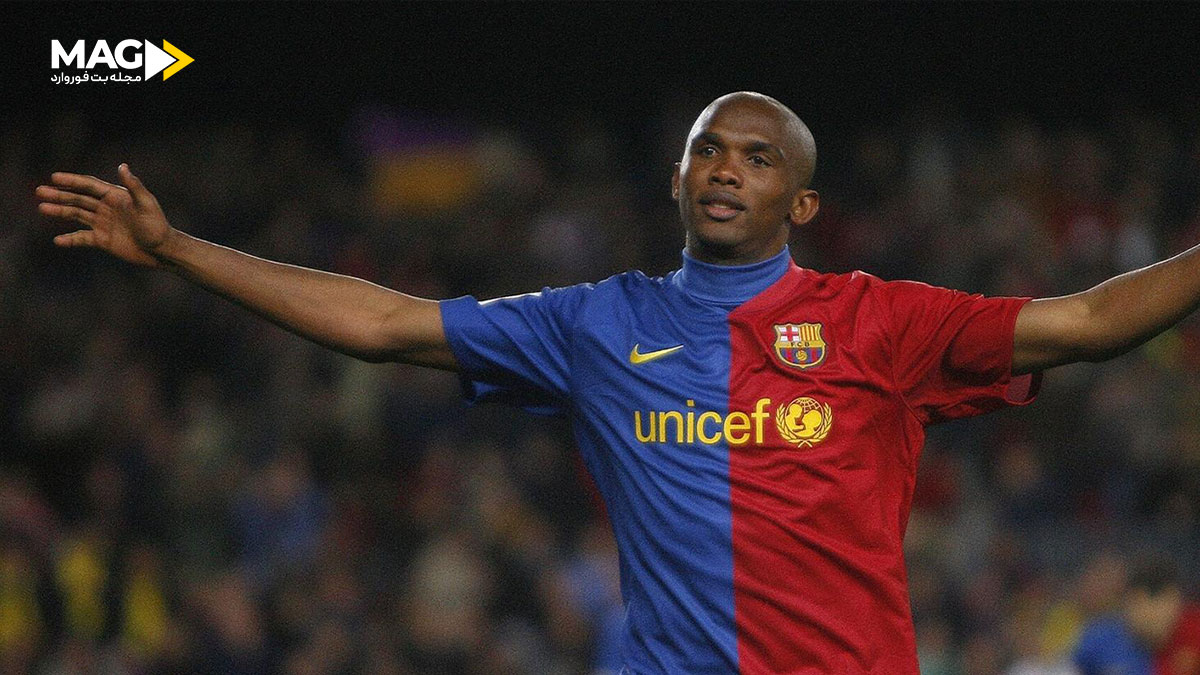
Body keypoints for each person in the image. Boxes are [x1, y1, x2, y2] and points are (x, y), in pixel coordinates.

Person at [35, 91, 1200, 674]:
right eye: (707, 150)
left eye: (756, 157)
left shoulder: (881, 322)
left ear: (801, 202)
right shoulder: (596, 324)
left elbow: (1090, 321)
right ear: (676, 179)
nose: (725, 168)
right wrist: (180, 249)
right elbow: (386, 324)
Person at [1074, 555, 1200, 675]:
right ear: (1132, 602)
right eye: (1156, 610)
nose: (1166, 618)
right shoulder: (1100, 640)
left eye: (1173, 606)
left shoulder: (1192, 634)